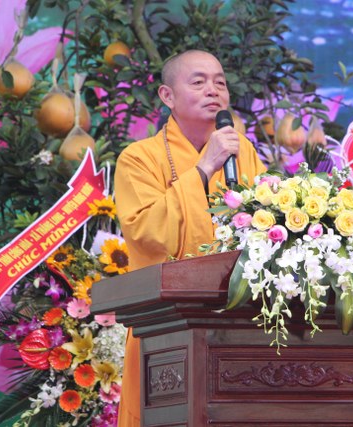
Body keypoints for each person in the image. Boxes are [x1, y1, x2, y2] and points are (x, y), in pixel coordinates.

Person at [113, 49, 266, 426]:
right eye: (198, 82)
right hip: (167, 325)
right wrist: (204, 167)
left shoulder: (243, 152)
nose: (213, 90)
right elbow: (148, 233)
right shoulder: (138, 158)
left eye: (220, 83)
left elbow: (269, 222)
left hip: (242, 320)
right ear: (167, 96)